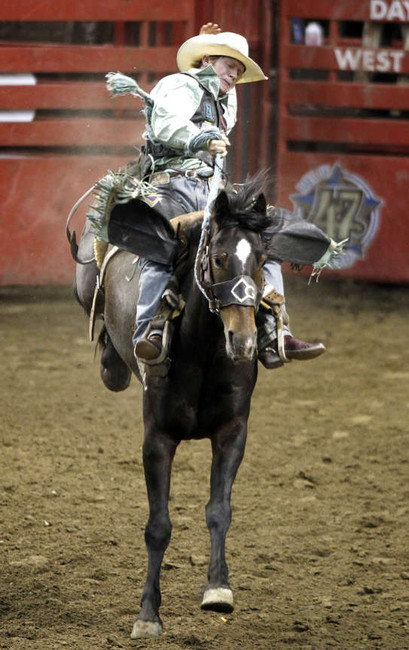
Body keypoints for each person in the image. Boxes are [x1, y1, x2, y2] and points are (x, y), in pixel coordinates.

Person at [133, 24, 326, 369]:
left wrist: (217, 60)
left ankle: (275, 331)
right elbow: (165, 122)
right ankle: (150, 329)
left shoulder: (222, 102)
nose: (235, 74)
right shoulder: (179, 85)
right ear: (207, 61)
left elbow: (222, 101)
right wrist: (199, 139)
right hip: (169, 184)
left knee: (260, 242)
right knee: (160, 243)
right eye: (229, 65)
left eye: (239, 69)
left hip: (210, 191)